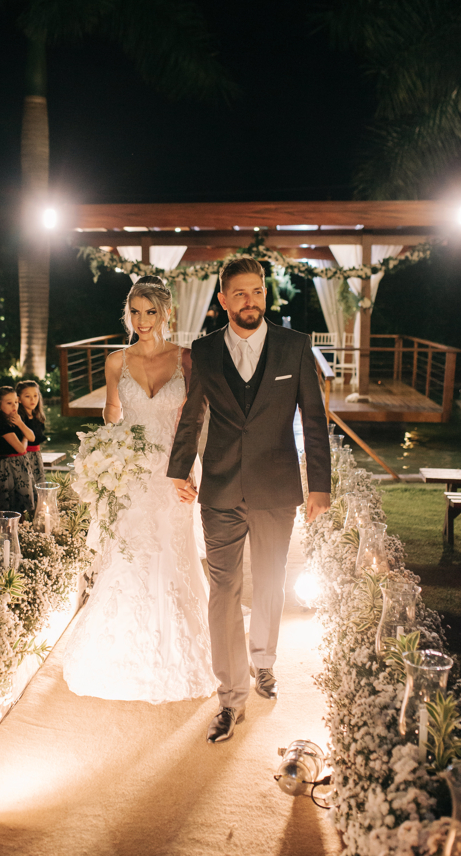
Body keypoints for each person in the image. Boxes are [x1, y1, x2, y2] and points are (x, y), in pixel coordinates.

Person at [167, 256, 331, 743]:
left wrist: (318, 485)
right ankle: (230, 696)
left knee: (271, 581)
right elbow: (192, 416)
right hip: (219, 487)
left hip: (277, 487)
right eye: (239, 293)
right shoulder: (204, 351)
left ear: (265, 295)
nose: (250, 301)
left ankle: (264, 663)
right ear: (222, 301)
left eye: (257, 292)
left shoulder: (295, 347)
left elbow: (315, 421)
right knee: (224, 590)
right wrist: (178, 469)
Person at [63, 276, 216, 704]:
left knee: (174, 554)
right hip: (128, 475)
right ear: (127, 314)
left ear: (166, 313)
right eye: (135, 312)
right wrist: (101, 456)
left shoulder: (187, 358)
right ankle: (121, 651)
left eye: (151, 312)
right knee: (130, 557)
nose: (143, 320)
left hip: (176, 473)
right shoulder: (116, 362)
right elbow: (113, 416)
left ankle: (178, 650)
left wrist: (185, 472)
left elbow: (194, 420)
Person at [0, 386, 36, 524]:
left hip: (20, 466)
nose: (14, 406)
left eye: (16, 402)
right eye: (9, 403)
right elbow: (20, 448)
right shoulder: (1, 425)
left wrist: (20, 424)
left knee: (22, 502)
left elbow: (32, 437)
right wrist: (24, 438)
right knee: (9, 503)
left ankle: (22, 531)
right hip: (8, 468)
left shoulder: (16, 420)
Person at [16, 380, 46, 487]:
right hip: (24, 456)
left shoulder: (37, 417)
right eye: (28, 396)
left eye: (35, 395)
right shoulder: (19, 418)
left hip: (36, 456)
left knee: (39, 486)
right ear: (19, 399)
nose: (33, 399)